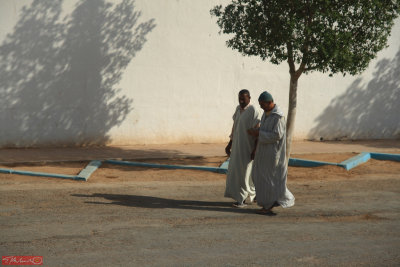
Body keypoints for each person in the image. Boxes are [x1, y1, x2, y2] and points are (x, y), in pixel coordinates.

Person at [247, 91, 295, 214]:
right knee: (259, 176)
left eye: (263, 104)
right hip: (263, 151)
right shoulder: (266, 114)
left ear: (270, 103)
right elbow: (265, 129)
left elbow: (277, 135)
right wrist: (257, 130)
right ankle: (267, 202)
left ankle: (271, 204)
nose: (261, 107)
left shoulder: (278, 116)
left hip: (273, 153)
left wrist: (259, 133)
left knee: (270, 179)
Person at [225, 89, 260, 208]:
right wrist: (230, 143)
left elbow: (257, 131)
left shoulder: (253, 111)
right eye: (239, 98)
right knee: (236, 173)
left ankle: (242, 199)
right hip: (236, 147)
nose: (241, 101)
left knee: (245, 173)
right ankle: (248, 196)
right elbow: (235, 127)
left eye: (243, 98)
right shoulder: (237, 109)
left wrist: (255, 149)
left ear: (249, 98)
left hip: (247, 148)